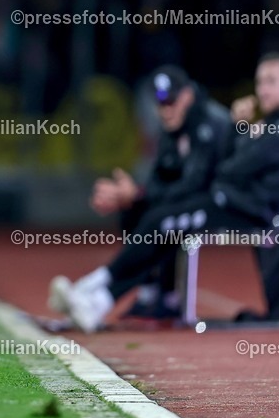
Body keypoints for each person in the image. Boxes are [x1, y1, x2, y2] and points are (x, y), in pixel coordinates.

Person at [50, 53, 279, 332]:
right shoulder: (261, 125)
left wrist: (243, 131)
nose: (262, 89)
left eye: (271, 81)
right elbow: (223, 168)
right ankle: (101, 299)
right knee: (159, 220)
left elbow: (234, 168)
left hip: (250, 210)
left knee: (161, 222)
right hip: (228, 201)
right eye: (260, 81)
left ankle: (94, 287)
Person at [80, 66, 232, 319]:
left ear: (187, 96)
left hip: (222, 204)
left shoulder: (212, 122)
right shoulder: (172, 126)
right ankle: (149, 292)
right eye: (160, 103)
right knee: (136, 211)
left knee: (160, 218)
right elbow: (159, 178)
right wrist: (132, 195)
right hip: (188, 202)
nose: (165, 110)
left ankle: (106, 288)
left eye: (171, 102)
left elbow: (195, 184)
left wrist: (140, 193)